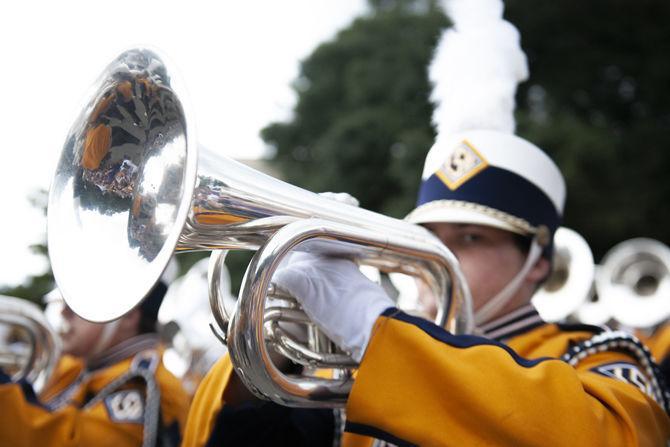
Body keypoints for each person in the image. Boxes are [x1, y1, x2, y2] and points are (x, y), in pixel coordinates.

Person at [183, 129, 670, 446]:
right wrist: (280, 351)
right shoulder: (359, 370)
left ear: (539, 263)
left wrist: (368, 322)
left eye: (472, 238)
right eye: (431, 235)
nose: (442, 252)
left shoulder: (595, 356)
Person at [0, 280, 190, 447]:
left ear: (128, 314)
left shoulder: (149, 385)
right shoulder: (76, 365)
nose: (63, 311)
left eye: (82, 302)